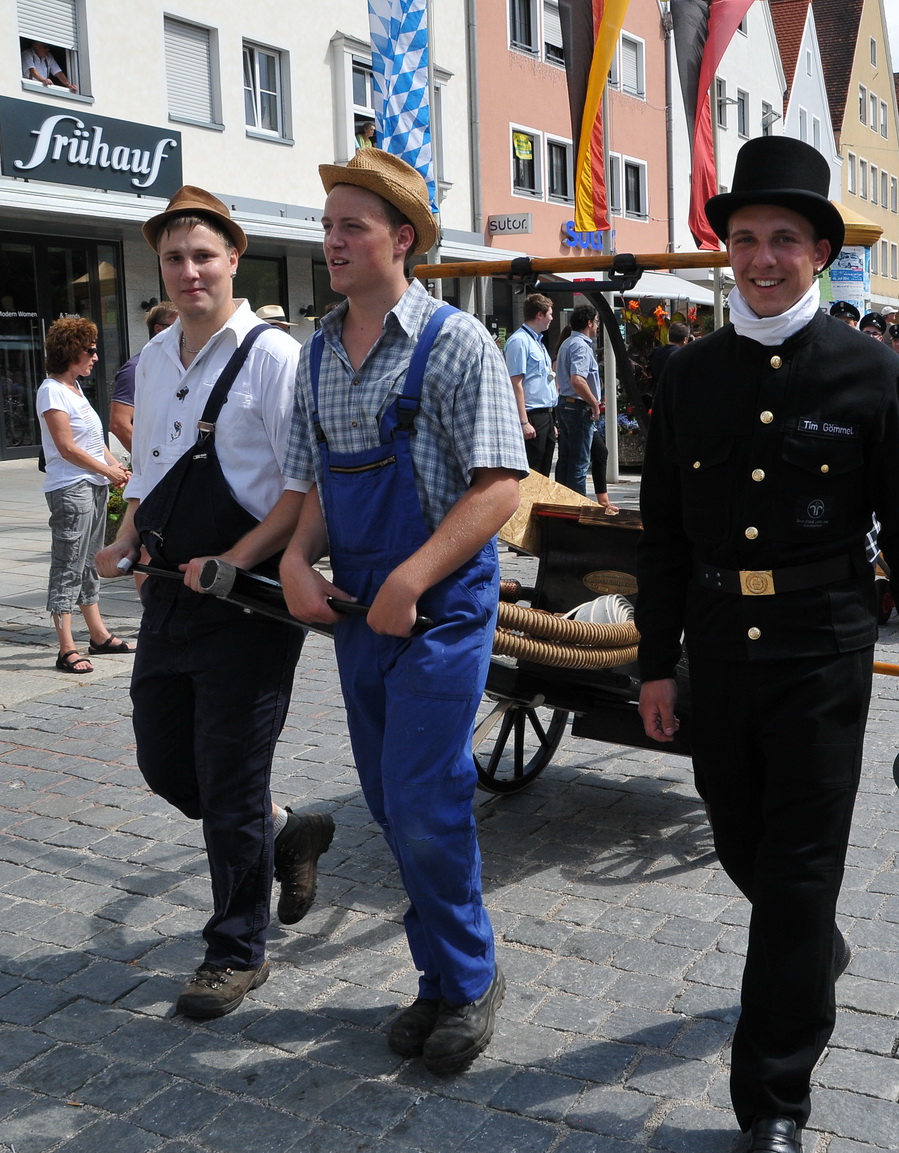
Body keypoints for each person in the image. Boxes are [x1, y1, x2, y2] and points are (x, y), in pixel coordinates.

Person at [636, 135, 899, 1153]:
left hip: (823, 653)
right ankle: (812, 944)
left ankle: (772, 1099)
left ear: (820, 251)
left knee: (796, 874)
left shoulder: (871, 372)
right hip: (719, 649)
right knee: (743, 844)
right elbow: (662, 534)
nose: (761, 258)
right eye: (744, 238)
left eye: (783, 239)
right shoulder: (687, 374)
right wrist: (654, 661)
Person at [278, 149, 526, 1075]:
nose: (333, 241)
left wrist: (412, 578)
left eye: (353, 226)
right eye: (327, 225)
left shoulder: (455, 342)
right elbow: (312, 486)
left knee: (424, 797)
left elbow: (499, 487)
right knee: (389, 801)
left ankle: (468, 978)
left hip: (442, 601)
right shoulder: (315, 354)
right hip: (360, 606)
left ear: (403, 239)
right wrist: (296, 558)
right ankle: (440, 975)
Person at [95, 187, 333, 1020]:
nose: (189, 270)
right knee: (165, 762)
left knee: (229, 782)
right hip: (168, 591)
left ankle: (235, 951)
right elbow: (153, 468)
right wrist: (127, 535)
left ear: (234, 258)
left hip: (249, 604)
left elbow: (303, 489)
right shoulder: (156, 355)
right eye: (174, 257)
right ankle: (285, 828)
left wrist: (234, 561)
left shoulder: (275, 357)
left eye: (203, 255)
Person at [37, 315, 133, 673]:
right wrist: (107, 470)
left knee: (89, 562)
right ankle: (66, 648)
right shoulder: (52, 390)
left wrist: (116, 466)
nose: (95, 356)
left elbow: (92, 442)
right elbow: (66, 447)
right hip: (71, 488)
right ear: (71, 351)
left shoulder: (74, 389)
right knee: (68, 566)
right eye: (90, 350)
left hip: (91, 485)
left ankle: (98, 635)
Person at [110, 303, 179, 454]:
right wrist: (146, 460)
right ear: (159, 329)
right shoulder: (135, 368)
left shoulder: (177, 365)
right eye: (178, 326)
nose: (184, 331)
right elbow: (119, 424)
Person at [505, 293, 558, 475]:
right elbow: (515, 383)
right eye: (550, 314)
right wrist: (524, 421)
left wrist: (551, 422)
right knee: (532, 472)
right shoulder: (519, 341)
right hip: (532, 415)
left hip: (546, 415)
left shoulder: (538, 342)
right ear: (539, 315)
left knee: (544, 474)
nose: (552, 318)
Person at [554, 303, 603, 496]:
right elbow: (578, 380)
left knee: (566, 459)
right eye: (596, 321)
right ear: (589, 323)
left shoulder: (567, 343)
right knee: (579, 462)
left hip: (566, 404)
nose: (597, 326)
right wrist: (594, 403)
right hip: (578, 407)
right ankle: (577, 504)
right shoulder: (581, 346)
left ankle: (562, 502)